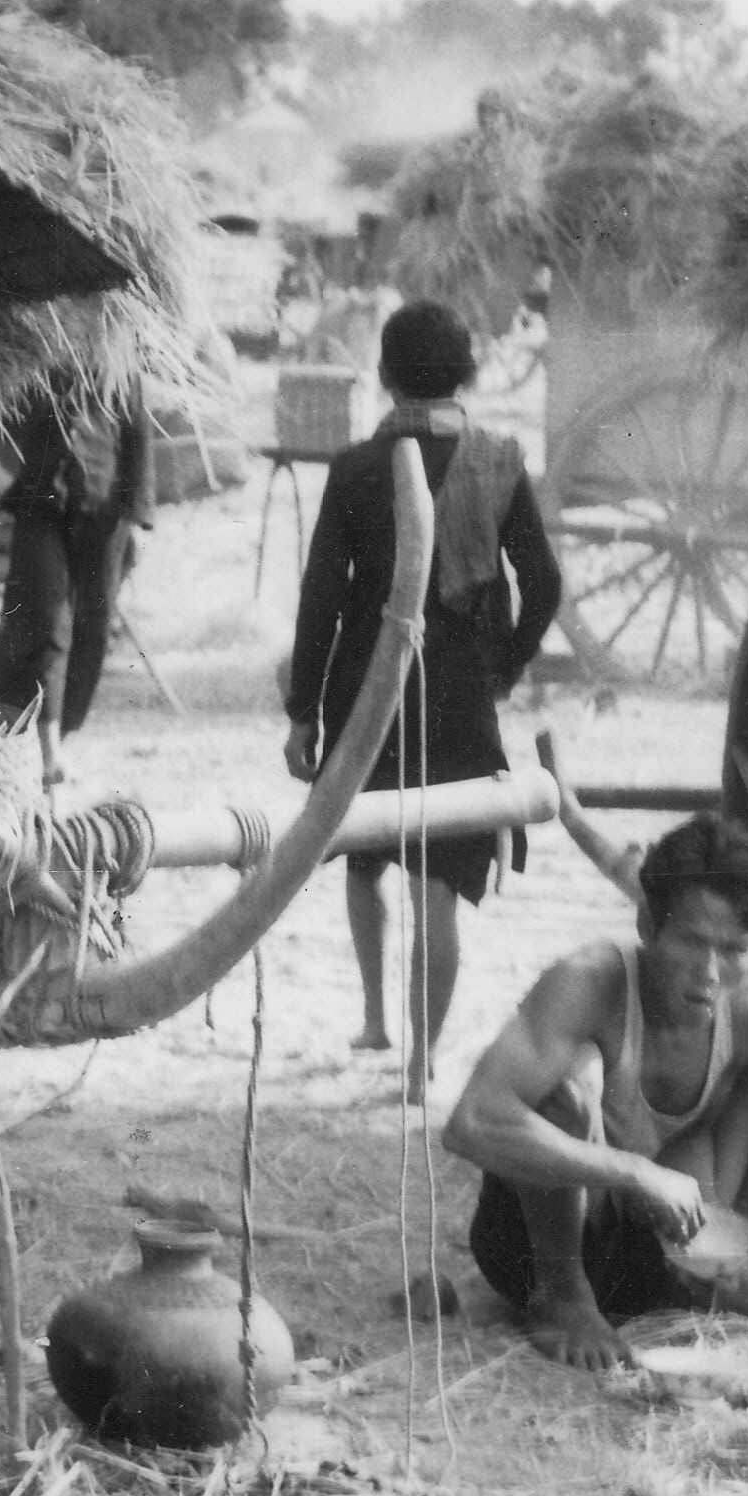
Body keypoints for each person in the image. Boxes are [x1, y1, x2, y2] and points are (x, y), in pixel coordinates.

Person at [441, 807, 748, 1368]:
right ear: (647, 927)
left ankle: (717, 1269)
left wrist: (695, 1219)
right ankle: (562, 1300)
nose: (709, 972)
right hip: (534, 1248)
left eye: (734, 950)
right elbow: (469, 1123)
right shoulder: (589, 981)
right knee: (570, 1083)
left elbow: (703, 1137)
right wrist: (635, 1172)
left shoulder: (747, 1009)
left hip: (644, 1246)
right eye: (690, 942)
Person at [283, 302, 559, 1076]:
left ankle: (376, 1020)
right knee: (439, 888)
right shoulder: (500, 460)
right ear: (467, 373)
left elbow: (321, 601)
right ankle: (422, 1063)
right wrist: (499, 665)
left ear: (385, 375)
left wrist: (303, 711)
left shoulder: (356, 468)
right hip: (459, 694)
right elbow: (543, 586)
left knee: (366, 857)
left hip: (365, 691)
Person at [0, 374, 153, 749]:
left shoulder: (121, 360)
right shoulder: (44, 357)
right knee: (41, 614)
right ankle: (41, 743)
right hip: (42, 502)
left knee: (93, 623)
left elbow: (137, 431)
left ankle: (62, 733)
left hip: (104, 507)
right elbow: (11, 418)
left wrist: (136, 508)